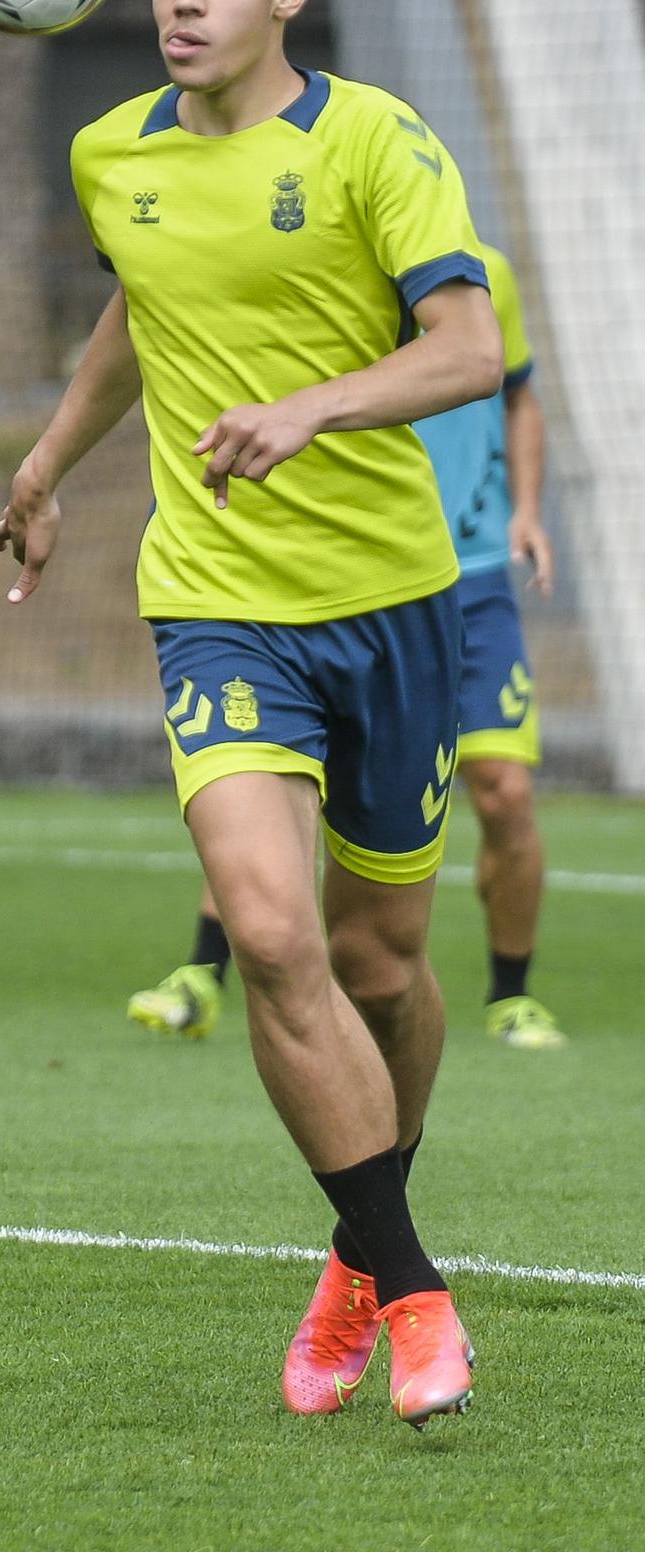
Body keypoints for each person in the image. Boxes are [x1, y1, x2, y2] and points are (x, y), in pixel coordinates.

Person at [0, 0, 503, 1427]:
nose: (180, 0)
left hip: (391, 601)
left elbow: (467, 347)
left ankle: (354, 1251)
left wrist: (310, 406)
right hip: (213, 600)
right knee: (271, 940)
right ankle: (413, 1293)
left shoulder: (372, 140)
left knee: (382, 964)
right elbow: (138, 317)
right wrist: (46, 462)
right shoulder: (110, 155)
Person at [129, 241, 565, 1050]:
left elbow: (518, 394)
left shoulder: (483, 279)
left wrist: (526, 509)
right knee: (271, 778)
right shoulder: (297, 266)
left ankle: (512, 995)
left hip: (465, 579)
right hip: (331, 578)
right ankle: (200, 971)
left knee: (502, 788)